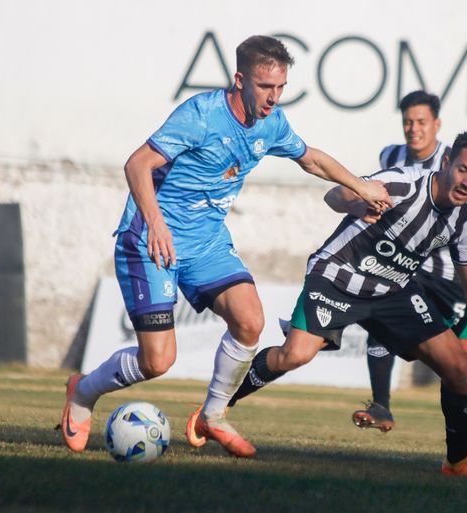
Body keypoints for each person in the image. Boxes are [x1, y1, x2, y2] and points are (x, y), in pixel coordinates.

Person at [59, 35, 390, 458]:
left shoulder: (271, 123)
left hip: (207, 242)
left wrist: (359, 186)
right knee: (157, 361)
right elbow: (137, 164)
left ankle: (213, 417)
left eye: (281, 87)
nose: (274, 98)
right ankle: (83, 392)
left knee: (250, 320)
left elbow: (310, 158)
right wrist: (157, 225)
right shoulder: (201, 115)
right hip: (150, 240)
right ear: (240, 80)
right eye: (265, 86)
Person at [227, 131, 467, 476]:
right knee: (296, 354)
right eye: (463, 170)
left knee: (458, 369)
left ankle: (457, 462)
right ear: (446, 162)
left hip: (393, 291)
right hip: (338, 276)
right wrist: (356, 203)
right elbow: (336, 194)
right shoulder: (402, 183)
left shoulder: (465, 220)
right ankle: (218, 408)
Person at [350, 90, 467, 451]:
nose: (413, 129)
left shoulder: (455, 161)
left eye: (420, 122)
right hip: (401, 269)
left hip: (447, 277)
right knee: (379, 316)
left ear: (436, 125)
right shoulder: (391, 155)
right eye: (407, 122)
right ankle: (382, 405)